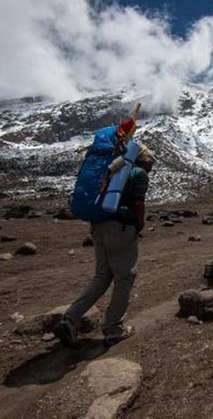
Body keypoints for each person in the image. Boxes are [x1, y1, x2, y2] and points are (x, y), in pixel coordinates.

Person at [54, 144, 155, 348]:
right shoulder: (139, 173)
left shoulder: (114, 168)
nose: (152, 165)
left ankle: (70, 318)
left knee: (102, 276)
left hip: (98, 226)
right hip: (120, 228)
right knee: (124, 277)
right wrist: (139, 224)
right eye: (151, 161)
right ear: (143, 159)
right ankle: (113, 328)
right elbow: (138, 203)